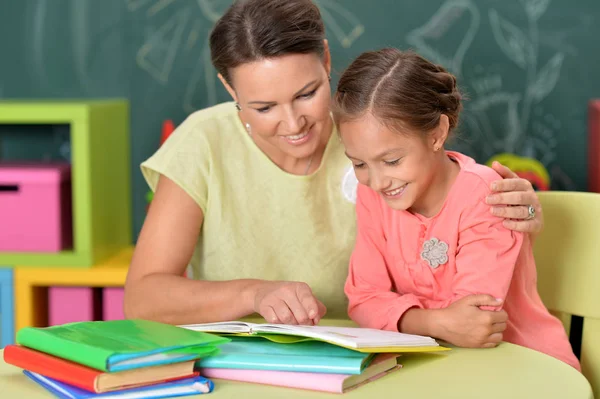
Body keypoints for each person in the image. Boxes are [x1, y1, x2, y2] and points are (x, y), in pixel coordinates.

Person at [124, 0, 544, 342]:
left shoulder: (371, 135)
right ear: (230, 88)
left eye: (306, 94)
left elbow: (453, 214)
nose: (292, 124)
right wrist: (255, 292)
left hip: (378, 350)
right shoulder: (203, 142)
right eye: (263, 107)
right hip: (247, 356)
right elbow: (143, 298)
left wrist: (520, 215)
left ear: (326, 58)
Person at [334, 48, 579, 370]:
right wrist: (435, 323)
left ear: (436, 133)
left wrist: (407, 317)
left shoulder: (487, 197)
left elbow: (474, 323)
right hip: (437, 364)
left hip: (525, 363)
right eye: (359, 163)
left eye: (392, 161)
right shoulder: (372, 196)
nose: (377, 181)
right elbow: (363, 300)